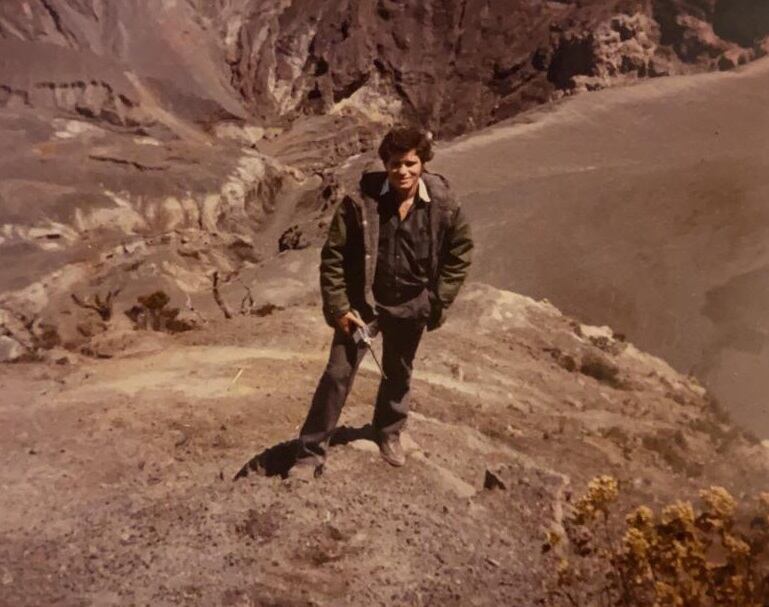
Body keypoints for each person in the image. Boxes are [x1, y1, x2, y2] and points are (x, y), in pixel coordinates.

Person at [292, 126, 473, 477]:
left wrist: (438, 300)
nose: (402, 171)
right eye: (394, 164)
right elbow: (334, 256)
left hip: (412, 303)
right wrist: (340, 307)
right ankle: (310, 452)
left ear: (423, 163)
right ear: (384, 164)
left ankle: (389, 431)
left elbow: (460, 252)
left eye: (410, 163)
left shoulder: (444, 203)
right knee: (337, 375)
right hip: (364, 307)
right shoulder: (361, 202)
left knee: (398, 372)